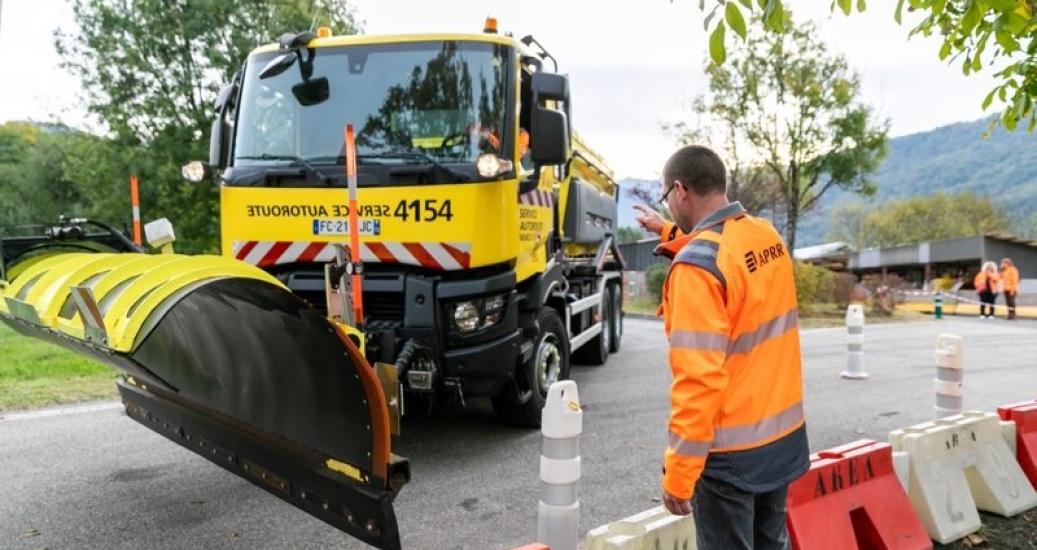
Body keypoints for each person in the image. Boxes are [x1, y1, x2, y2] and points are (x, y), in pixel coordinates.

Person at [647, 145, 809, 550]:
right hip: (782, 438)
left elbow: (698, 381)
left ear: (680, 191)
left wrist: (680, 474)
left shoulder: (696, 268)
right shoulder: (766, 236)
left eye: (666, 199)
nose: (668, 208)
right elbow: (728, 251)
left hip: (731, 456)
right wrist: (668, 233)